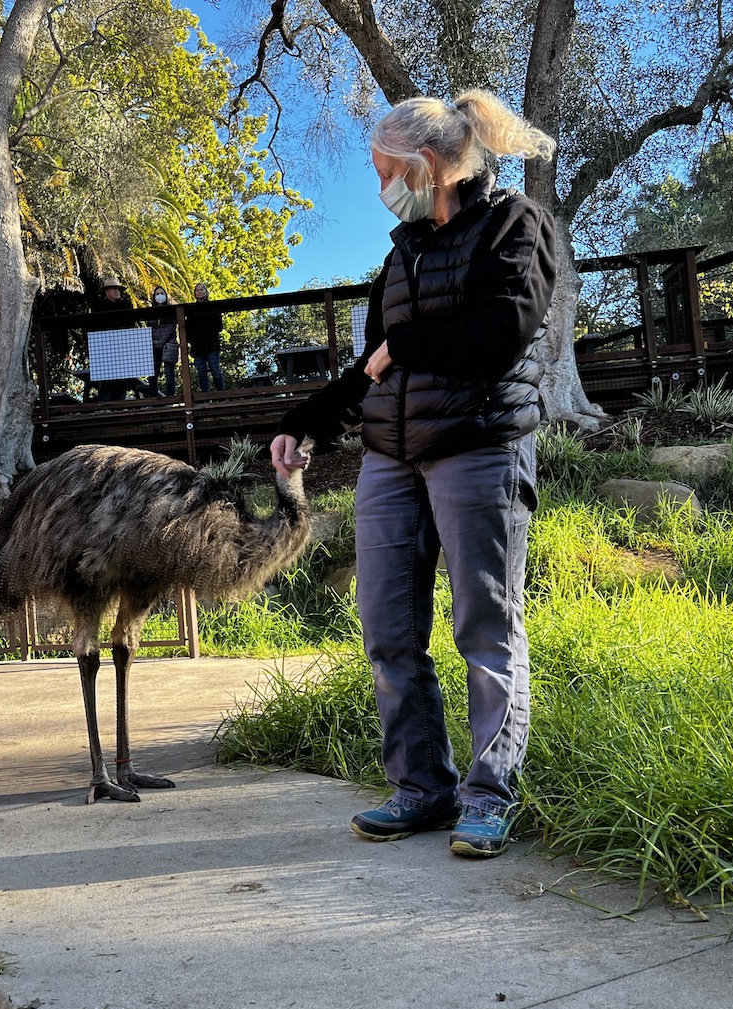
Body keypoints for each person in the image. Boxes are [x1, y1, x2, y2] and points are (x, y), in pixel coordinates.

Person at [269, 91, 556, 859]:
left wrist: (409, 345)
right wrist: (305, 423)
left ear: (425, 165)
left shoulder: (514, 225)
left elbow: (501, 332)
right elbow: (374, 366)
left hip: (479, 447)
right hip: (390, 460)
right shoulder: (401, 255)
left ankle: (488, 798)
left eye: (383, 169)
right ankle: (421, 789)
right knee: (389, 630)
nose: (380, 186)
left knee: (484, 630)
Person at [186, 282, 225, 392]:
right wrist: (191, 340)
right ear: (194, 294)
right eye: (197, 290)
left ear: (206, 292)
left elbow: (219, 326)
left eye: (202, 289)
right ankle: (205, 396)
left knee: (215, 370)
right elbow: (188, 328)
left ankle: (221, 394)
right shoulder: (191, 310)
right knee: (201, 372)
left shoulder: (213, 307)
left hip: (212, 345)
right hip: (197, 347)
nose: (199, 292)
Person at [150, 286, 180, 396]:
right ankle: (153, 397)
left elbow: (171, 327)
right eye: (157, 294)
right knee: (153, 372)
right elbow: (150, 327)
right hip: (154, 346)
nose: (159, 296)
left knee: (169, 373)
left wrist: (160, 342)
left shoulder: (171, 310)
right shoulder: (150, 311)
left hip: (168, 344)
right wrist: (154, 342)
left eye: (162, 293)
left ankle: (170, 397)